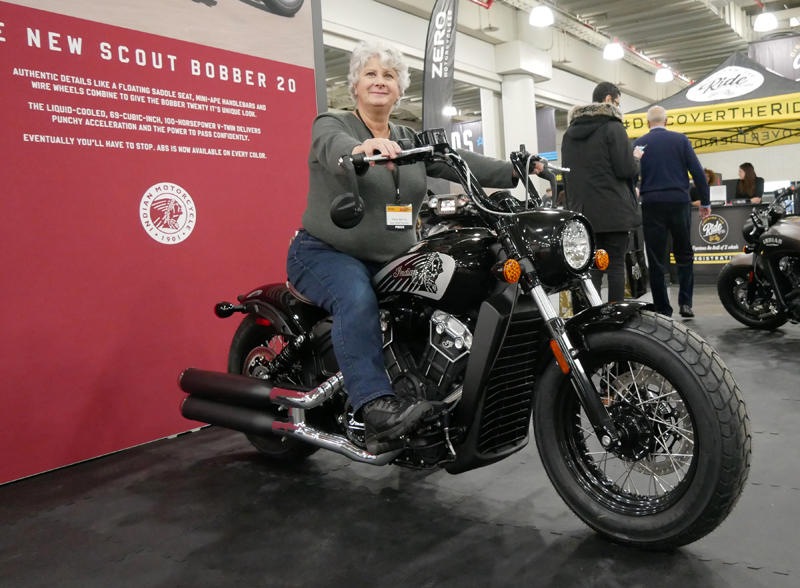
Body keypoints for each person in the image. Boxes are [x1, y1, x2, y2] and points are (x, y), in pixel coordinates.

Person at [287, 40, 531, 455]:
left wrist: (515, 169)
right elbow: (330, 147)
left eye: (389, 75)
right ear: (355, 86)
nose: (380, 81)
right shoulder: (334, 124)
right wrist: (360, 149)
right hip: (326, 253)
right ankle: (373, 405)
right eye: (371, 74)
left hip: (393, 258)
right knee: (356, 298)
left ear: (400, 90)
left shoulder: (407, 138)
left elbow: (457, 159)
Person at [561, 81, 643, 303]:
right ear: (608, 100)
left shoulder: (569, 133)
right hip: (614, 211)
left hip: (583, 212)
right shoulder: (614, 128)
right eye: (618, 102)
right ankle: (612, 320)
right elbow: (625, 168)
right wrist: (636, 158)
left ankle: (592, 319)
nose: (619, 107)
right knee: (615, 265)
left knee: (592, 269)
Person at [632, 106, 711, 318]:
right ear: (666, 121)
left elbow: (630, 176)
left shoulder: (638, 143)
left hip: (651, 204)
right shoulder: (681, 140)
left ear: (647, 123)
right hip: (679, 202)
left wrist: (635, 191)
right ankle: (686, 303)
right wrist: (705, 201)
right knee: (684, 253)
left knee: (657, 257)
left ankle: (662, 309)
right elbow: (698, 173)